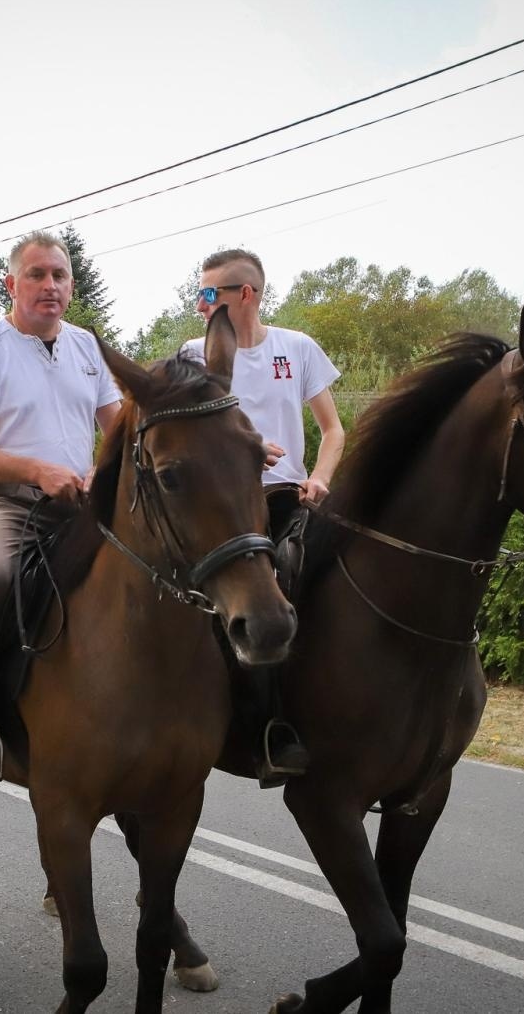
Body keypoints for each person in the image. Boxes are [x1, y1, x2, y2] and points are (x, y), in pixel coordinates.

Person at [0, 230, 123, 790]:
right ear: (11, 284)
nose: (50, 285)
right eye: (38, 275)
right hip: (12, 504)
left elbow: (117, 428)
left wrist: (102, 471)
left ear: (71, 286)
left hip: (86, 506)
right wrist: (37, 470)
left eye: (59, 276)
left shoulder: (88, 348)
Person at [183, 248, 345, 784]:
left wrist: (318, 477)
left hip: (286, 498)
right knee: (264, 588)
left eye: (211, 294)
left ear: (246, 295)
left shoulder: (296, 348)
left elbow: (334, 431)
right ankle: (270, 728)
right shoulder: (192, 354)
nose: (201, 303)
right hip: (224, 507)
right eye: (200, 292)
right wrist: (249, 446)